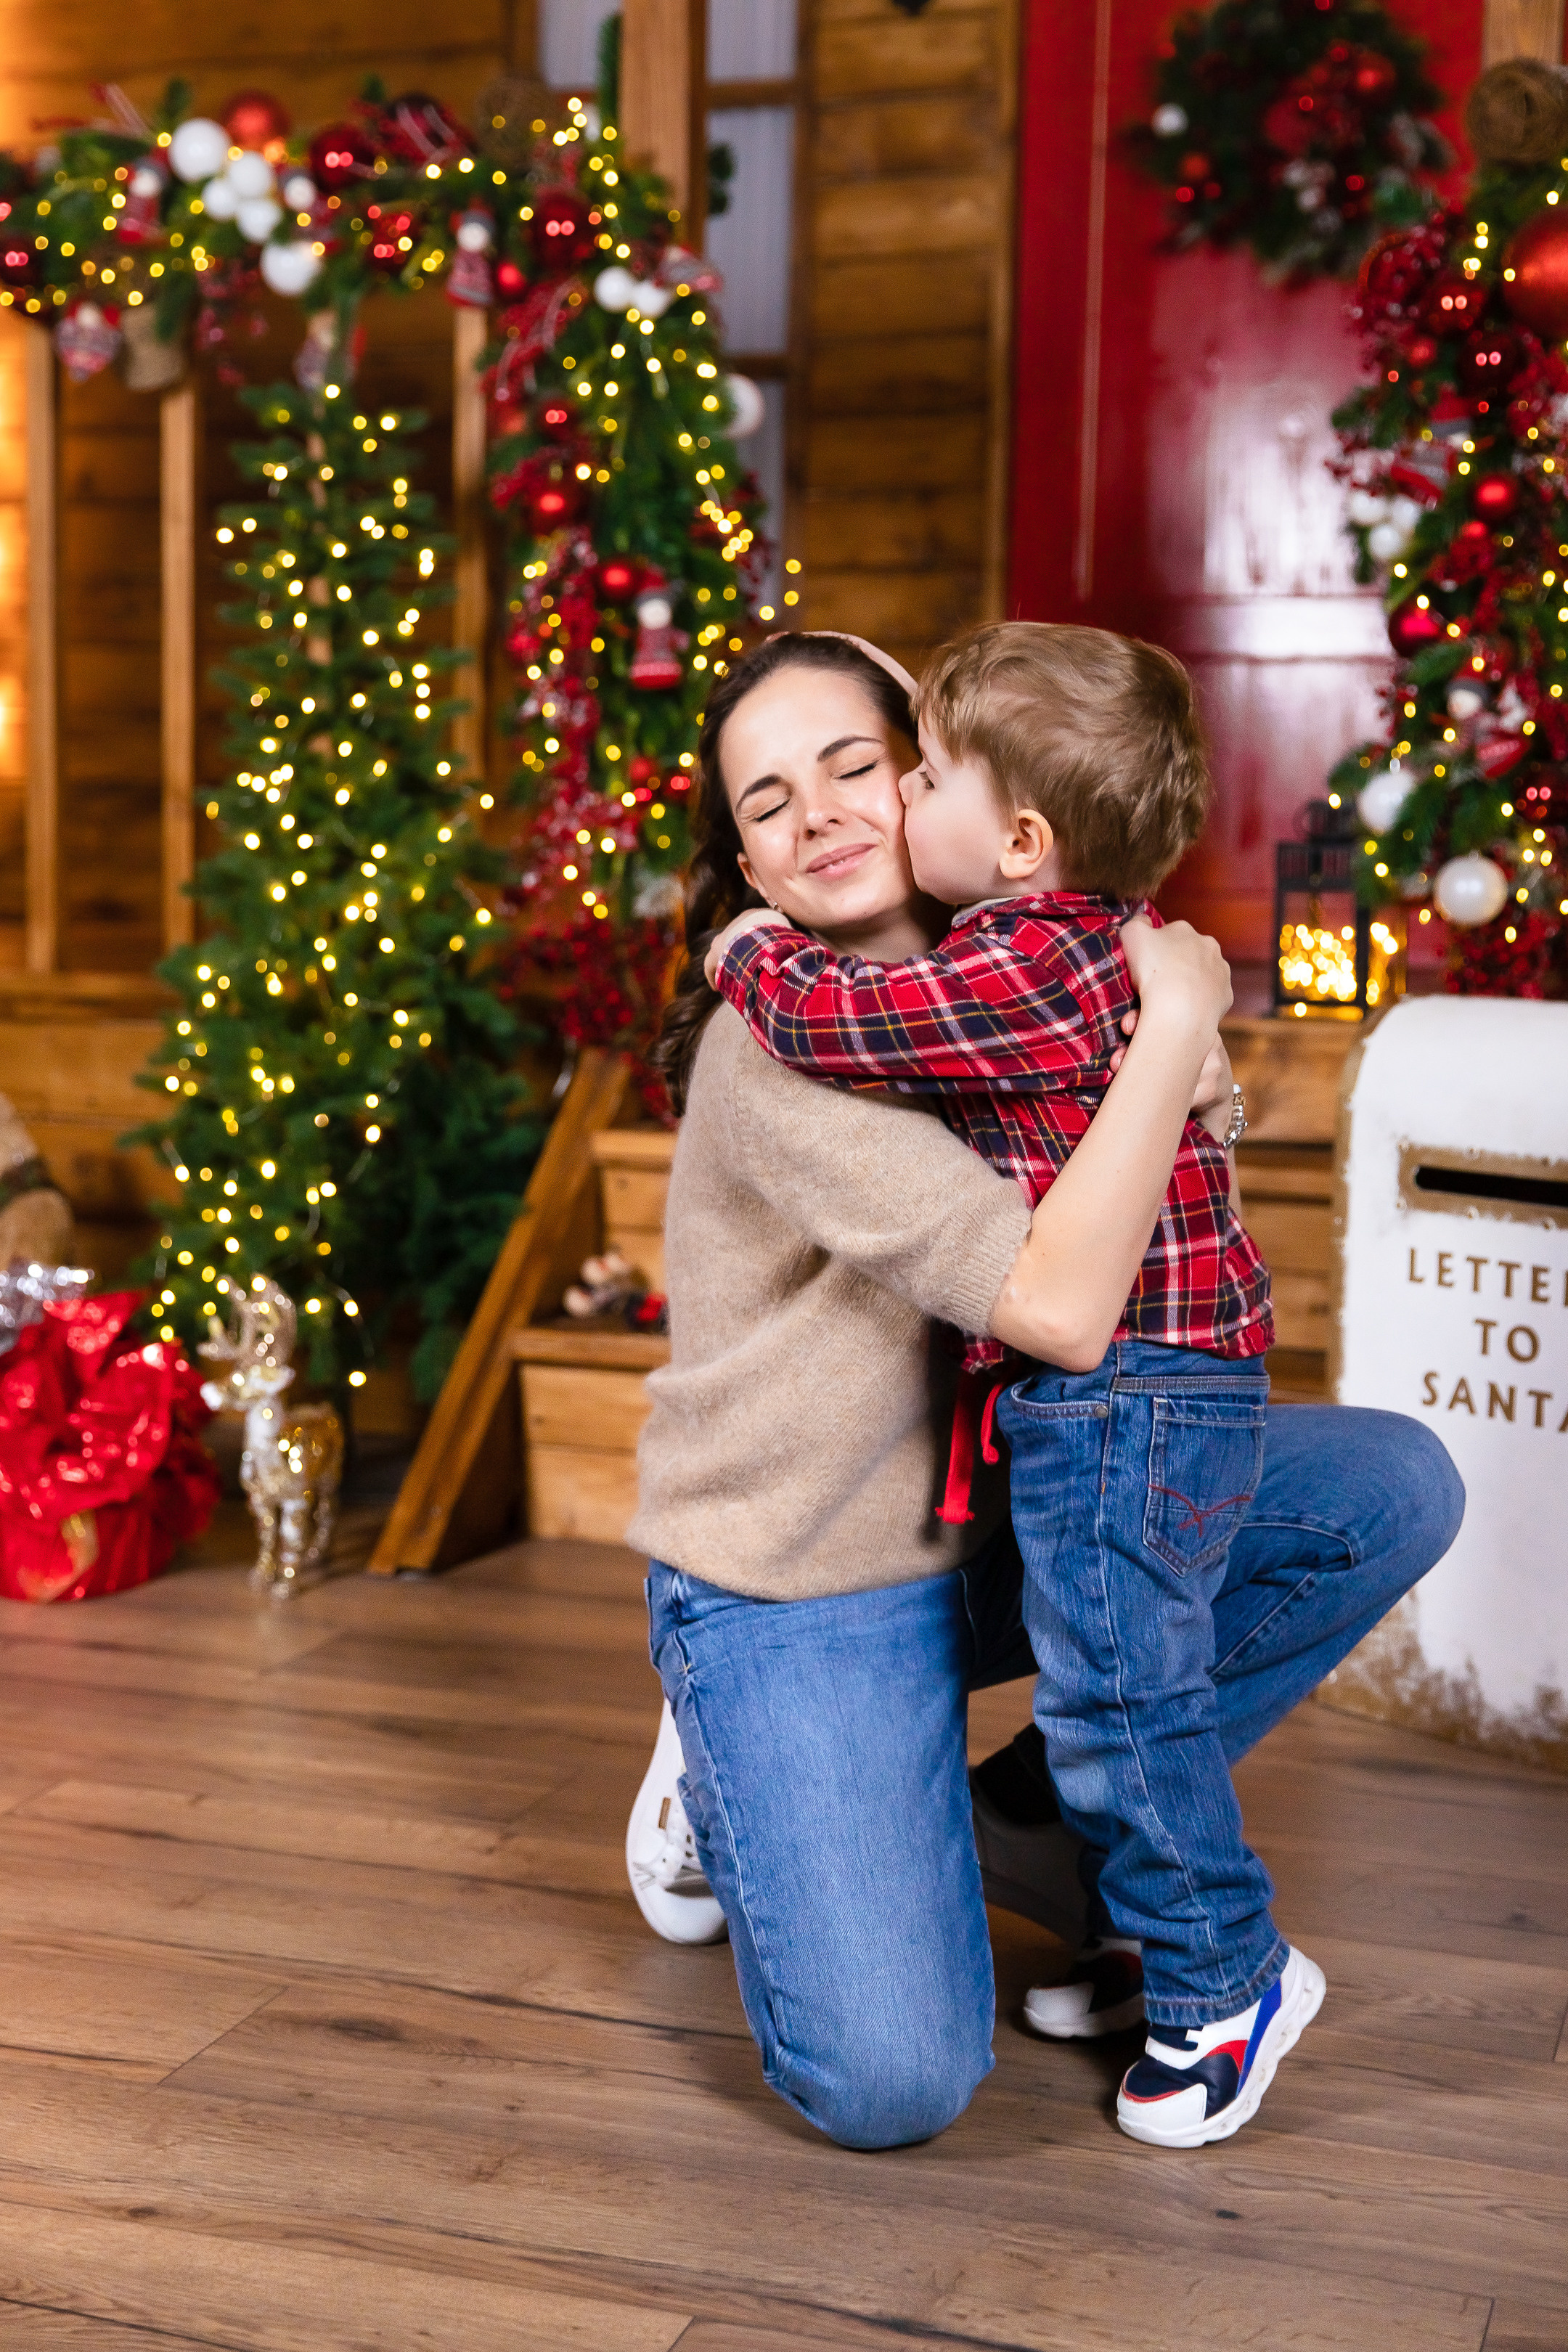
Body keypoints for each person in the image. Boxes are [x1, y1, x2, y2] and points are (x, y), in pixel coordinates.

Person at [625, 630, 1463, 2154]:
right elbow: (1067, 1309)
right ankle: (731, 1753)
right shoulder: (783, 1044)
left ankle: (1035, 1820)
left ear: (951, 792)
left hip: (1014, 1516)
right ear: (745, 865)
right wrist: (1177, 1025)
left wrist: (1182, 1062)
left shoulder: (1024, 957)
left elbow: (1185, 1171)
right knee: (894, 2083)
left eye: (858, 766)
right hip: (808, 1572)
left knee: (1388, 1487)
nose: (818, 815)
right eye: (767, 801)